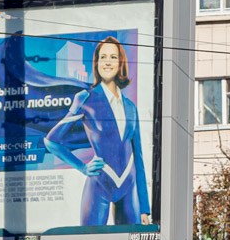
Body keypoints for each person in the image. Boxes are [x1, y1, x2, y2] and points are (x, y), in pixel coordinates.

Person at [43, 37, 152, 228]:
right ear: (97, 63)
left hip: (130, 185)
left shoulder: (130, 107)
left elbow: (139, 158)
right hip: (100, 184)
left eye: (113, 57)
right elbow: (52, 141)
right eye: (103, 57)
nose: (107, 62)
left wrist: (144, 207)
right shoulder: (85, 98)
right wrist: (82, 166)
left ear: (121, 63)